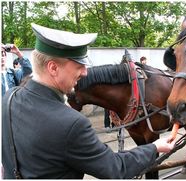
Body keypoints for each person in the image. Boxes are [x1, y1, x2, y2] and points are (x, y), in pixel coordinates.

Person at [2, 23, 175, 179]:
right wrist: (154, 147)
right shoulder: (71, 124)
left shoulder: (8, 99)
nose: (85, 73)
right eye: (79, 66)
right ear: (53, 68)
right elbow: (116, 168)